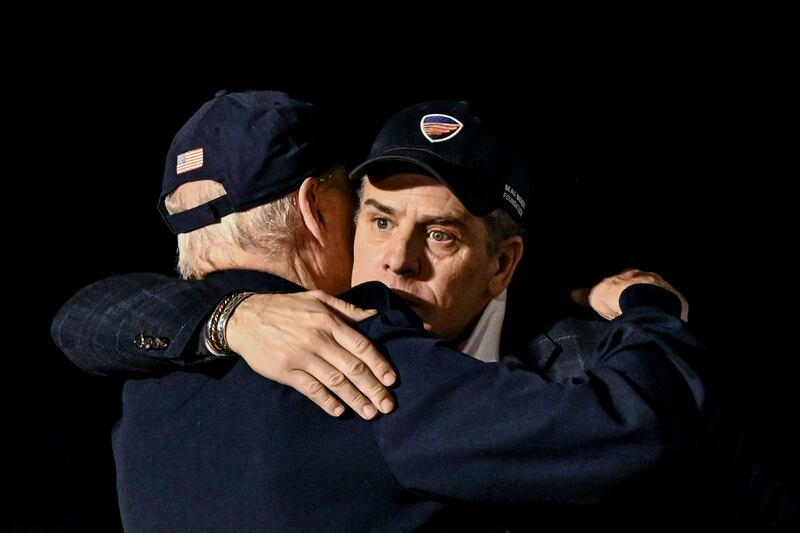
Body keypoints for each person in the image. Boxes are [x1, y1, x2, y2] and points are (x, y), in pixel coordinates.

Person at [52, 91, 709, 531]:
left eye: (441, 234)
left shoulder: (147, 395)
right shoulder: (369, 365)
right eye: (376, 218)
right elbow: (634, 424)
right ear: (321, 209)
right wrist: (652, 308)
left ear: (502, 263)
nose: (395, 259)